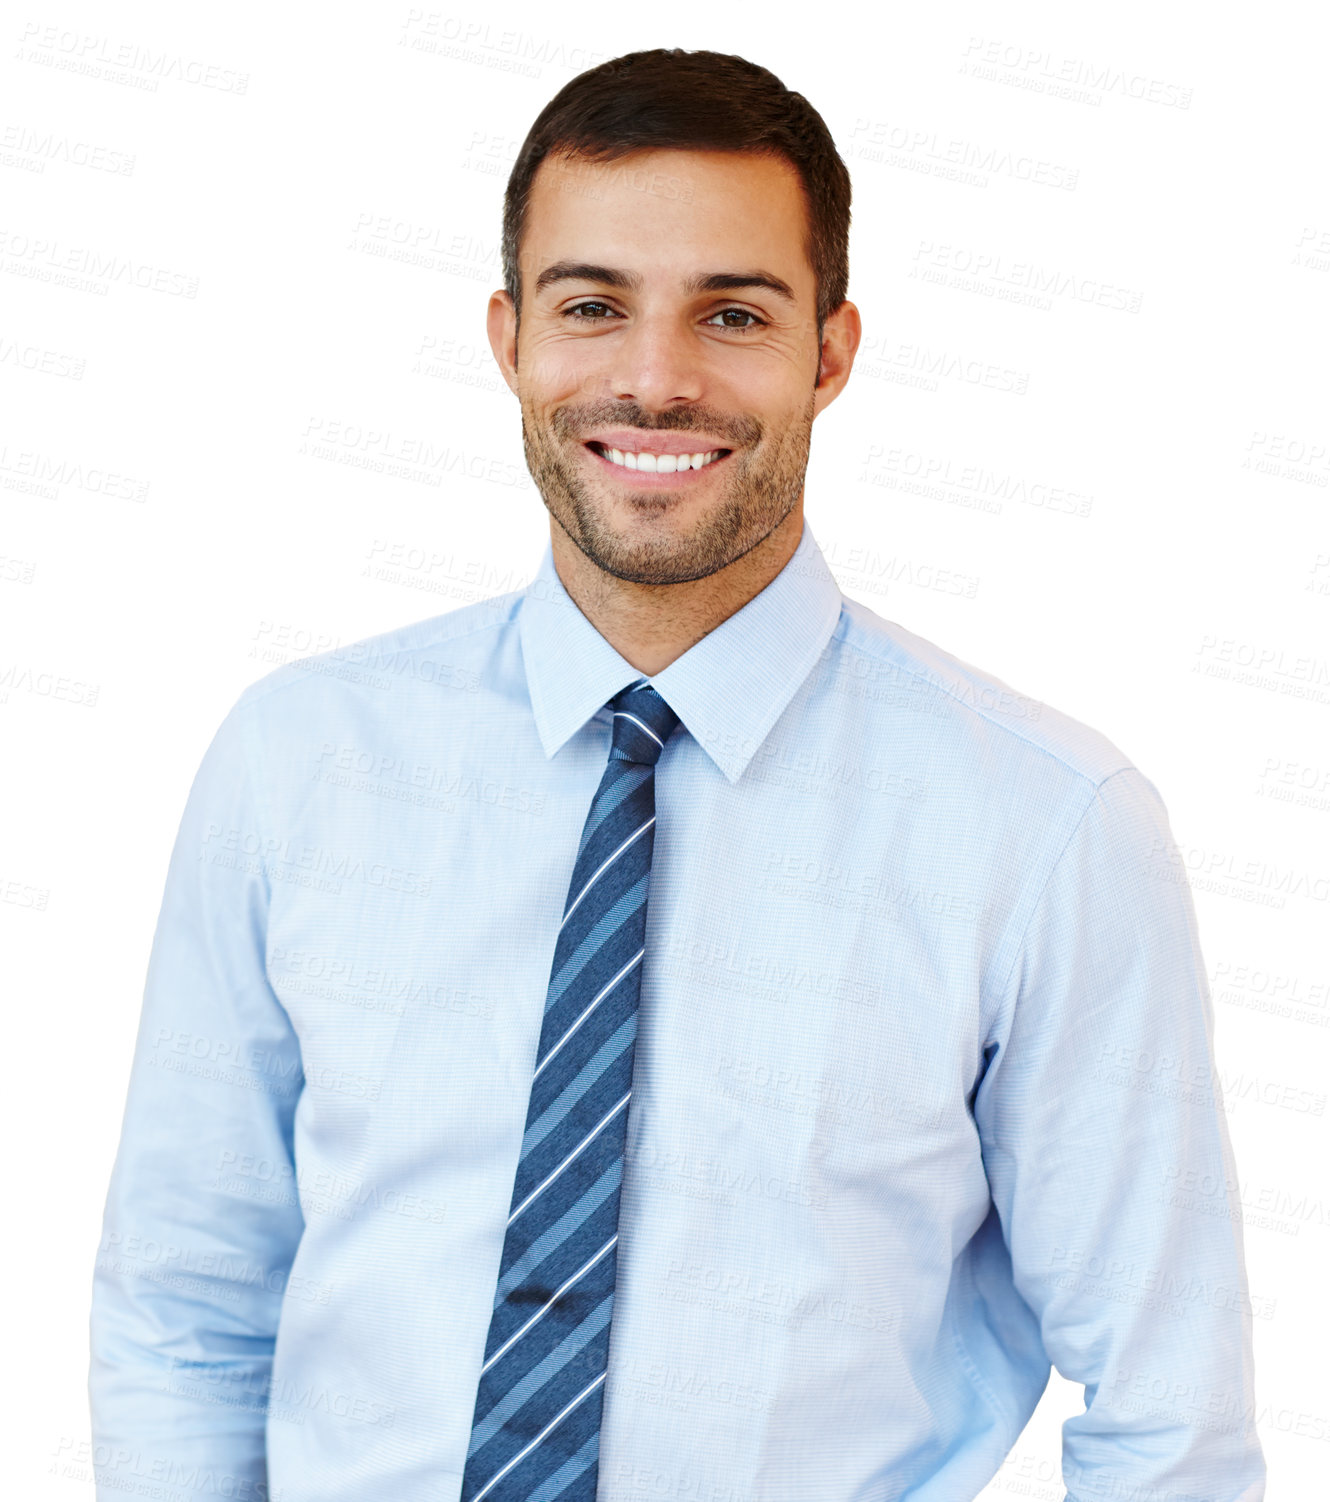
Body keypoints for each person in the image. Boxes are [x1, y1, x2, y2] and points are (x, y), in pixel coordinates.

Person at [89, 46, 1266, 1502]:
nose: (655, 377)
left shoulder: (1044, 828)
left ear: (829, 352)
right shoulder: (298, 765)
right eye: (592, 306)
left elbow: (1164, 1412)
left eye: (731, 313)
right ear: (509, 336)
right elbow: (185, 1309)